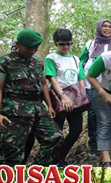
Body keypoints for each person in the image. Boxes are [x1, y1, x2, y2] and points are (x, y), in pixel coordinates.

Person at [0, 28, 62, 166]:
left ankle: (35, 173)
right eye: (29, 48)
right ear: (18, 44)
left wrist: (49, 106)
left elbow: (43, 85)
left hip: (37, 107)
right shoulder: (4, 61)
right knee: (12, 150)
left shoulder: (37, 62)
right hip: (14, 110)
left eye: (35, 48)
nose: (32, 51)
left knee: (55, 137)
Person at [45, 28, 87, 166]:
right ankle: (53, 161)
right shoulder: (51, 58)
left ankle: (60, 157)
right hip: (59, 97)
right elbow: (52, 78)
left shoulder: (75, 59)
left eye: (68, 43)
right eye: (62, 44)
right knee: (57, 132)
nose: (66, 47)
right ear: (56, 43)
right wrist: (62, 96)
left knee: (76, 130)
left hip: (75, 98)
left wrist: (82, 95)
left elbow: (80, 77)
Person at [79, 19, 111, 156]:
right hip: (91, 82)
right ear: (99, 28)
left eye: (110, 27)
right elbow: (80, 62)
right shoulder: (90, 44)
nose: (107, 29)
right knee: (92, 114)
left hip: (108, 84)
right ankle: (94, 143)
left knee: (110, 114)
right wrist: (81, 79)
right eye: (104, 26)